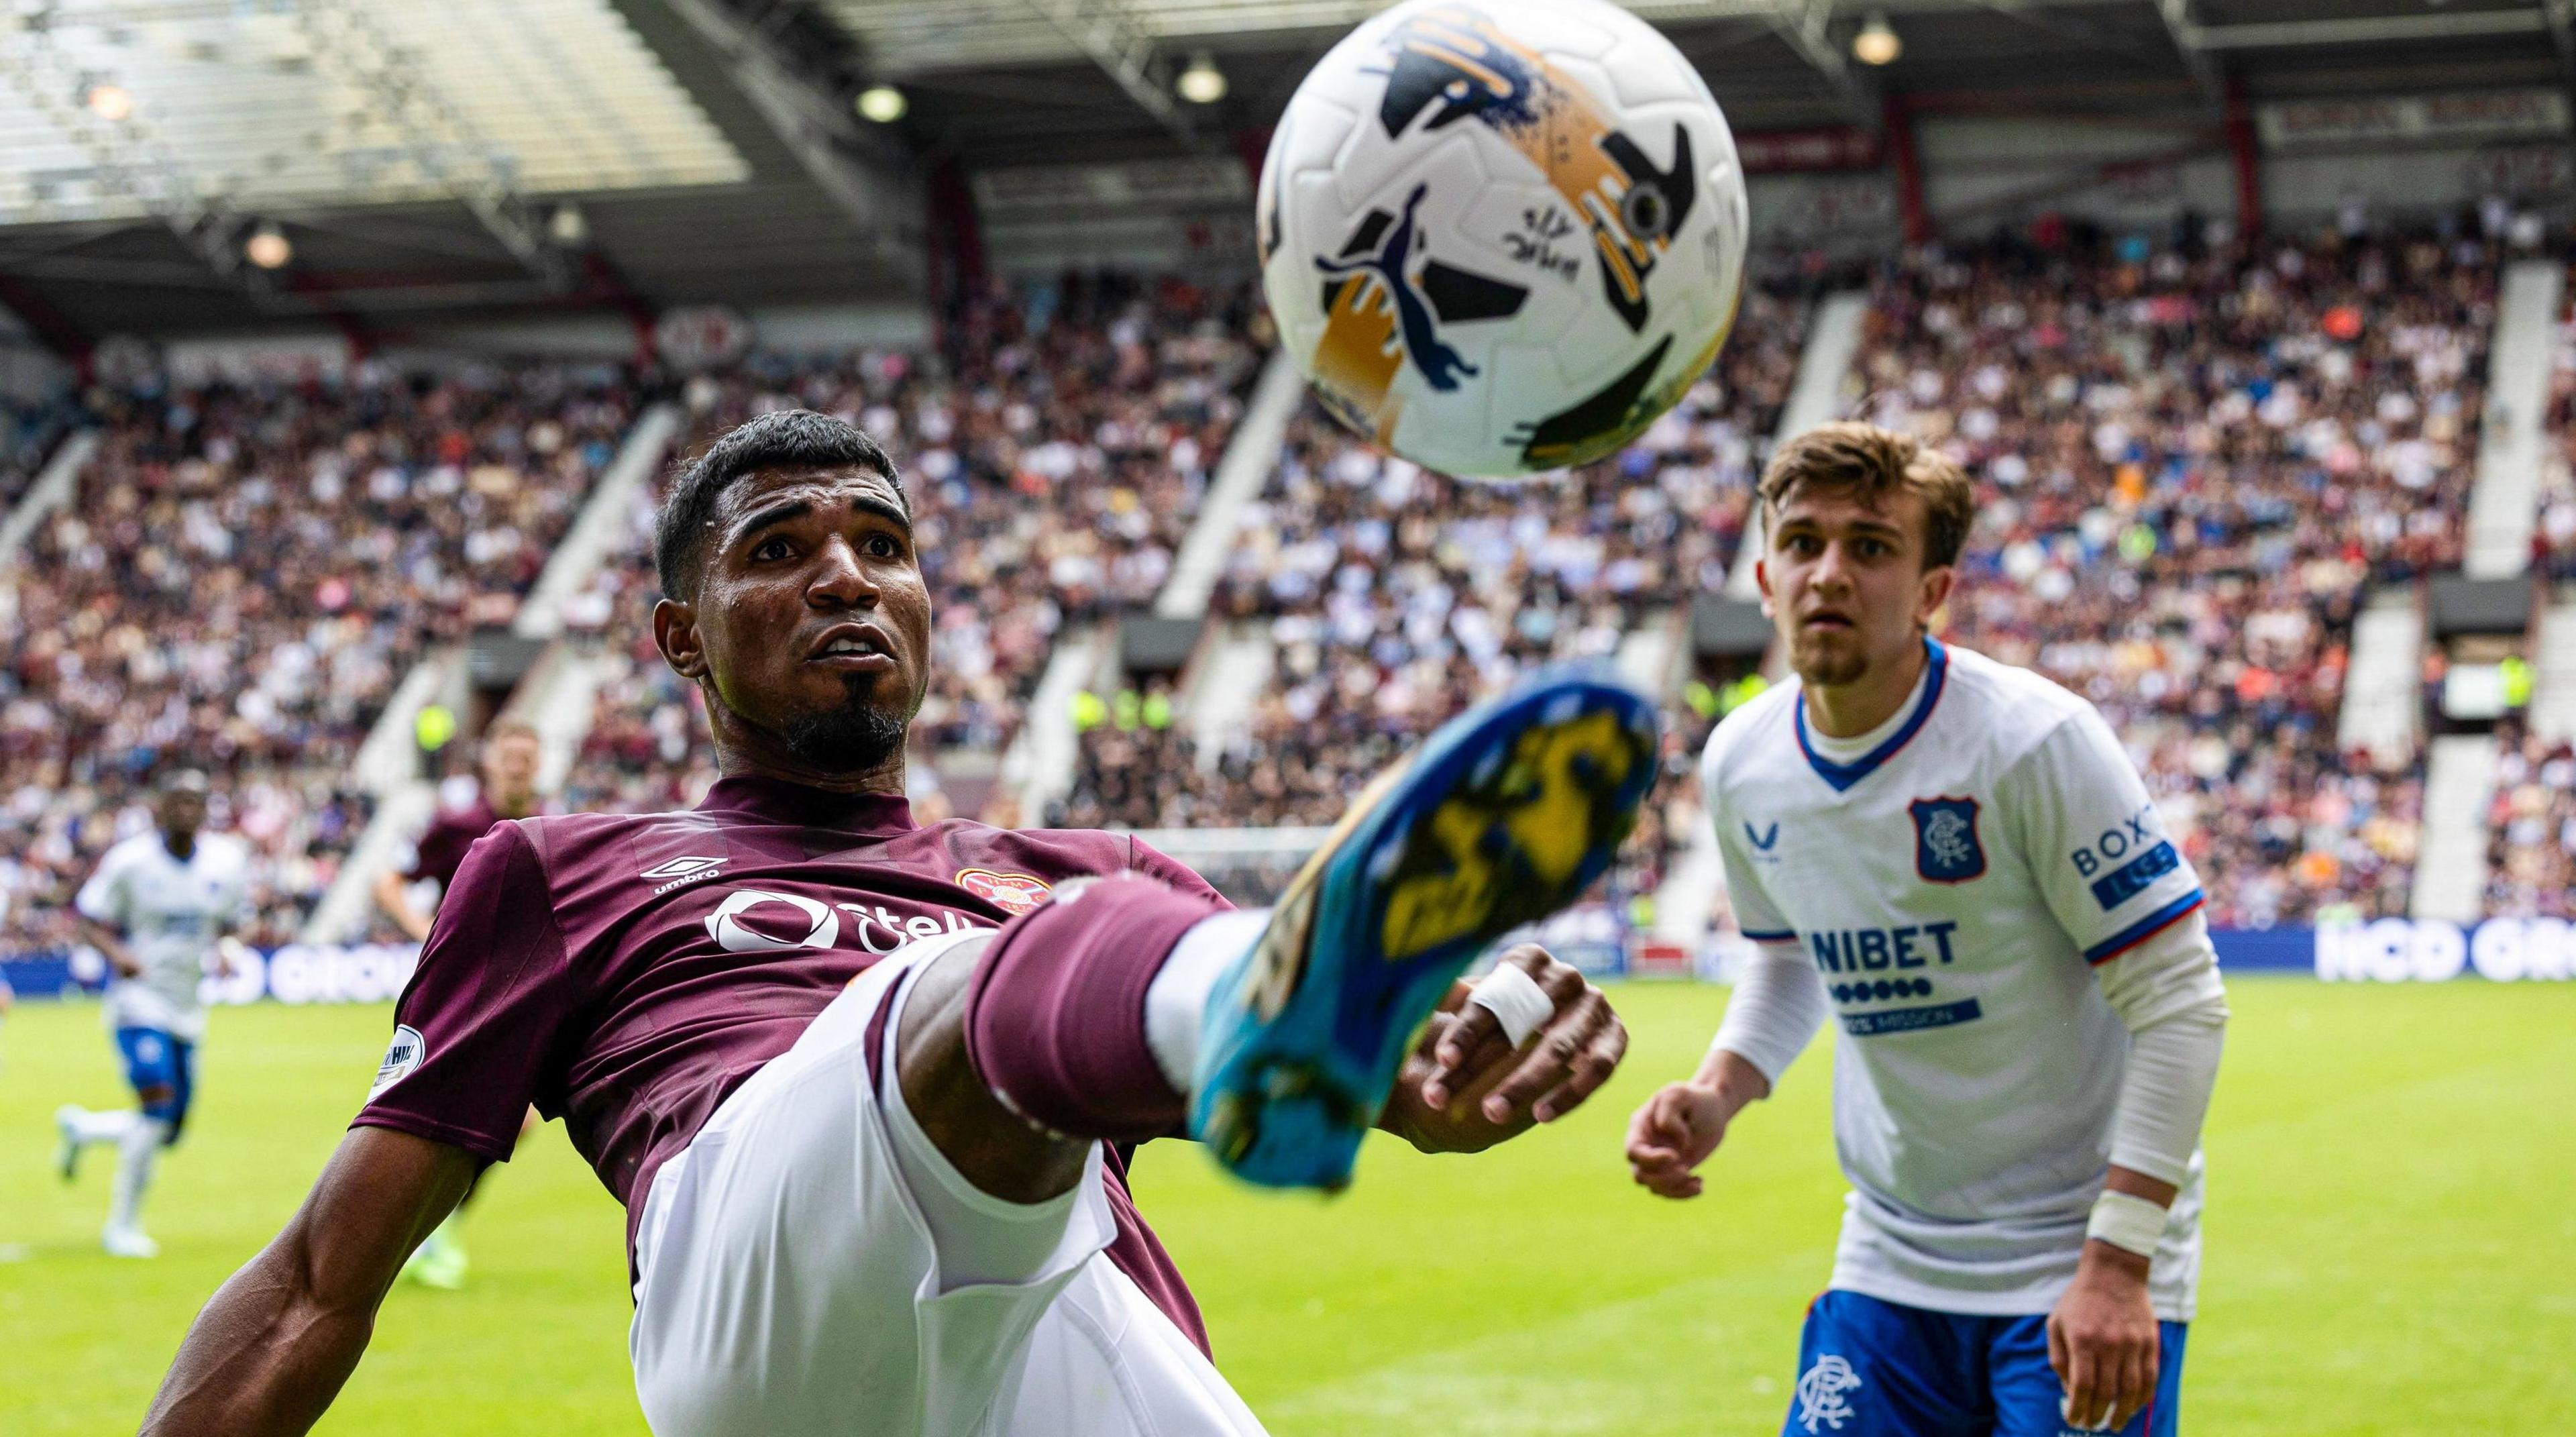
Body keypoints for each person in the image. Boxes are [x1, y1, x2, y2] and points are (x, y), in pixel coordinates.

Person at [144, 410, 1656, 1435]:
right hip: (772, 1304)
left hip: (1057, 1313)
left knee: (1068, 955)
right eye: (780, 550)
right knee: (972, 979)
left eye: (881, 541)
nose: (846, 575)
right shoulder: (558, 866)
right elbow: (320, 1278)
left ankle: (1286, 981)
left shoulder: (1080, 856)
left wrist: (1440, 1062)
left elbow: (1386, 1105)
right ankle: (1274, 969)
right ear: (681, 636)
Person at [1625, 424, 2229, 1437]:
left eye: (1870, 547)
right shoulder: (1743, 759)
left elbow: (2180, 1000)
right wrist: (1718, 1089)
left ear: (1932, 589)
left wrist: (2122, 1262)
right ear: (1766, 575)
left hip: (2077, 1254)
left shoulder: (2034, 740)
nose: (1830, 573)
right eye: (1806, 542)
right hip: (1892, 1252)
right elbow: (1788, 958)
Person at [369, 720, 547, 1289]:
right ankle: (408, 1233)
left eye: (527, 757)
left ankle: (430, 1231)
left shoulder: (552, 821)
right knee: (440, 1117)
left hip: (519, 989)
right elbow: (389, 881)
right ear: (489, 762)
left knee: (514, 1125)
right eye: (509, 756)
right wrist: (425, 927)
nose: (518, 766)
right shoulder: (457, 825)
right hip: (458, 989)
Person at [56, 768, 251, 1259]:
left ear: (207, 810)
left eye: (195, 800)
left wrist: (227, 948)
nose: (186, 808)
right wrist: (117, 954)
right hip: (138, 1000)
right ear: (158, 808)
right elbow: (88, 918)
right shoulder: (130, 862)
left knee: (167, 1129)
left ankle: (85, 1129)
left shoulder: (225, 863)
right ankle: (121, 1225)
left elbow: (235, 924)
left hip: (187, 1005)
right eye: (177, 799)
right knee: (157, 1103)